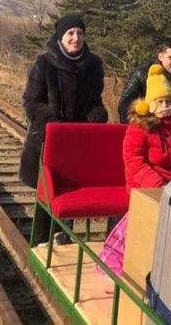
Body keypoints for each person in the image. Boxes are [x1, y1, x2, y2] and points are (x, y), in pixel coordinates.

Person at [19, 14, 108, 245]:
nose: (75, 38)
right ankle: (39, 240)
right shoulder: (44, 62)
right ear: (61, 36)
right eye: (70, 33)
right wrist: (51, 122)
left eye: (79, 33)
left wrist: (97, 114)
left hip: (78, 140)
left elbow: (95, 101)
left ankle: (63, 237)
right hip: (48, 137)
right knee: (46, 188)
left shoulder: (94, 65)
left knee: (71, 189)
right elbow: (31, 101)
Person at [99, 64, 171, 277]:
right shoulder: (139, 128)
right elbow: (134, 160)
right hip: (145, 184)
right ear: (150, 105)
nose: (166, 107)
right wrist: (157, 182)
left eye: (169, 102)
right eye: (160, 102)